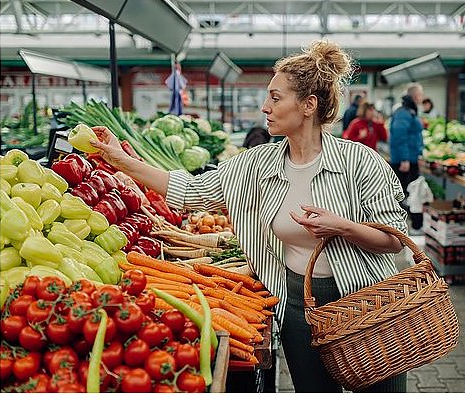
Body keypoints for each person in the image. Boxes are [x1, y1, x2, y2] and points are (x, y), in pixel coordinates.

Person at [90, 39, 409, 393]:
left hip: (368, 303)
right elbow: (190, 191)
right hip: (299, 305)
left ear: (308, 105)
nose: (265, 107)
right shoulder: (256, 165)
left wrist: (344, 227)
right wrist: (120, 159)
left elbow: (395, 239)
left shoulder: (359, 162)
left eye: (275, 97)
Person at [389, 82, 426, 235]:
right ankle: (406, 229)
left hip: (410, 159)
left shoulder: (409, 111)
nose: (422, 97)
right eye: (420, 94)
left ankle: (411, 227)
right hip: (405, 162)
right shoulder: (404, 112)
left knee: (410, 192)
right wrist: (404, 159)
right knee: (407, 193)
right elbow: (399, 136)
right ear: (415, 95)